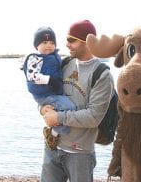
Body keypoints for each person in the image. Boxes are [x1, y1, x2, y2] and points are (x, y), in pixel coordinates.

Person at [40, 20, 115, 182]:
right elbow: (45, 92)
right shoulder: (64, 64)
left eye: (71, 40)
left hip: (80, 153)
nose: (66, 44)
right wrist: (43, 107)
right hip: (52, 146)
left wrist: (58, 118)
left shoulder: (101, 74)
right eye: (66, 39)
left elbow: (93, 117)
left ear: (87, 42)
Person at [23, 26, 76, 148]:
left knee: (66, 109)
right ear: (37, 45)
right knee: (69, 107)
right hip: (44, 94)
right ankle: (54, 132)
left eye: (52, 43)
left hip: (54, 93)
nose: (49, 45)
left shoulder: (55, 57)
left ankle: (55, 131)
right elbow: (32, 76)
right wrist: (50, 80)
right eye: (44, 42)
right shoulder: (34, 58)